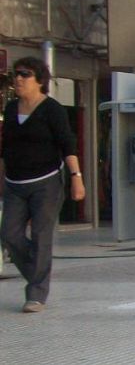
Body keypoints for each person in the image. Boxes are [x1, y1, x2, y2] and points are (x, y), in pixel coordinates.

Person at [0, 57, 86, 313]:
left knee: (40, 235)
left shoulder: (52, 109)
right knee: (9, 234)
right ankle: (39, 273)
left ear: (39, 80)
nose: (18, 79)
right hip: (14, 183)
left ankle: (36, 293)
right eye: (15, 75)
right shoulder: (12, 108)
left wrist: (76, 178)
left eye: (24, 74)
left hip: (45, 183)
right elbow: (5, 147)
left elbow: (67, 144)